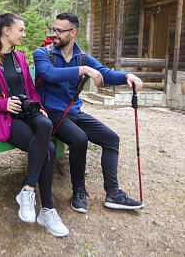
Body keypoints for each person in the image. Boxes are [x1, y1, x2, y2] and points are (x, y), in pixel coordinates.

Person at [33, 12, 144, 213]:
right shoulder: (43, 53)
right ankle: (78, 191)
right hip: (51, 113)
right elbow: (48, 74)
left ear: (73, 32)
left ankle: (113, 193)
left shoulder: (81, 56)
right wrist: (83, 70)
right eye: (54, 29)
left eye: (60, 31)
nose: (55, 34)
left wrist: (127, 75)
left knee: (111, 139)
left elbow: (105, 72)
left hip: (74, 112)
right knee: (80, 139)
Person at [0, 13, 68, 237]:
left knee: (45, 123)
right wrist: (2, 104)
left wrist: (38, 105)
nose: (24, 34)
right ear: (6, 31)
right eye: (21, 30)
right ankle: (47, 208)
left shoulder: (20, 58)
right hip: (3, 117)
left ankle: (28, 190)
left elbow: (31, 89)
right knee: (50, 150)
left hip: (26, 113)